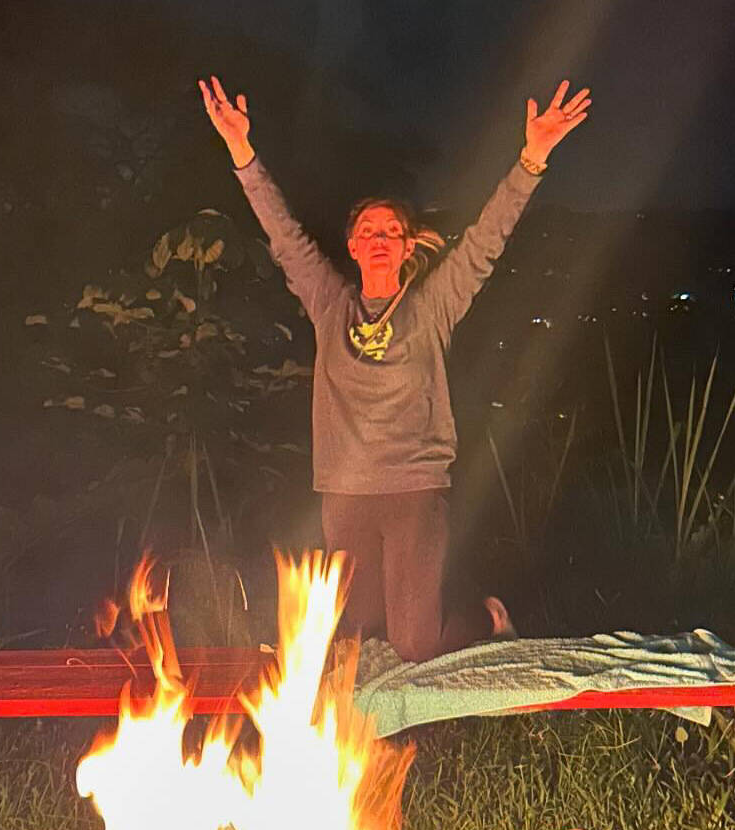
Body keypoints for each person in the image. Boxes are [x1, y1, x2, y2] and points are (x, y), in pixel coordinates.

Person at [199, 74, 591, 661]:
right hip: (344, 491)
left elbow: (484, 243)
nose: (379, 238)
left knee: (414, 644)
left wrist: (532, 158)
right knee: (358, 640)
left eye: (391, 231)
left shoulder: (430, 308)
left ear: (408, 247)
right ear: (353, 247)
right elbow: (284, 235)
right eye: (368, 231)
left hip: (413, 488)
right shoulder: (330, 304)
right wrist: (241, 149)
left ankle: (487, 618)